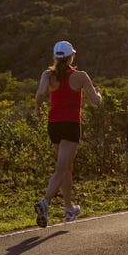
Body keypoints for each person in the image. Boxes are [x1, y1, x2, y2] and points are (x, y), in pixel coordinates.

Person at [34, 40, 102, 227]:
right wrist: (99, 93)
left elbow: (40, 94)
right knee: (62, 168)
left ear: (55, 57)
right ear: (71, 56)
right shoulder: (80, 76)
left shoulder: (47, 75)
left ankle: (68, 208)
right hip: (70, 125)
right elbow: (95, 101)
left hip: (53, 125)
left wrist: (37, 108)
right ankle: (45, 202)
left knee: (67, 167)